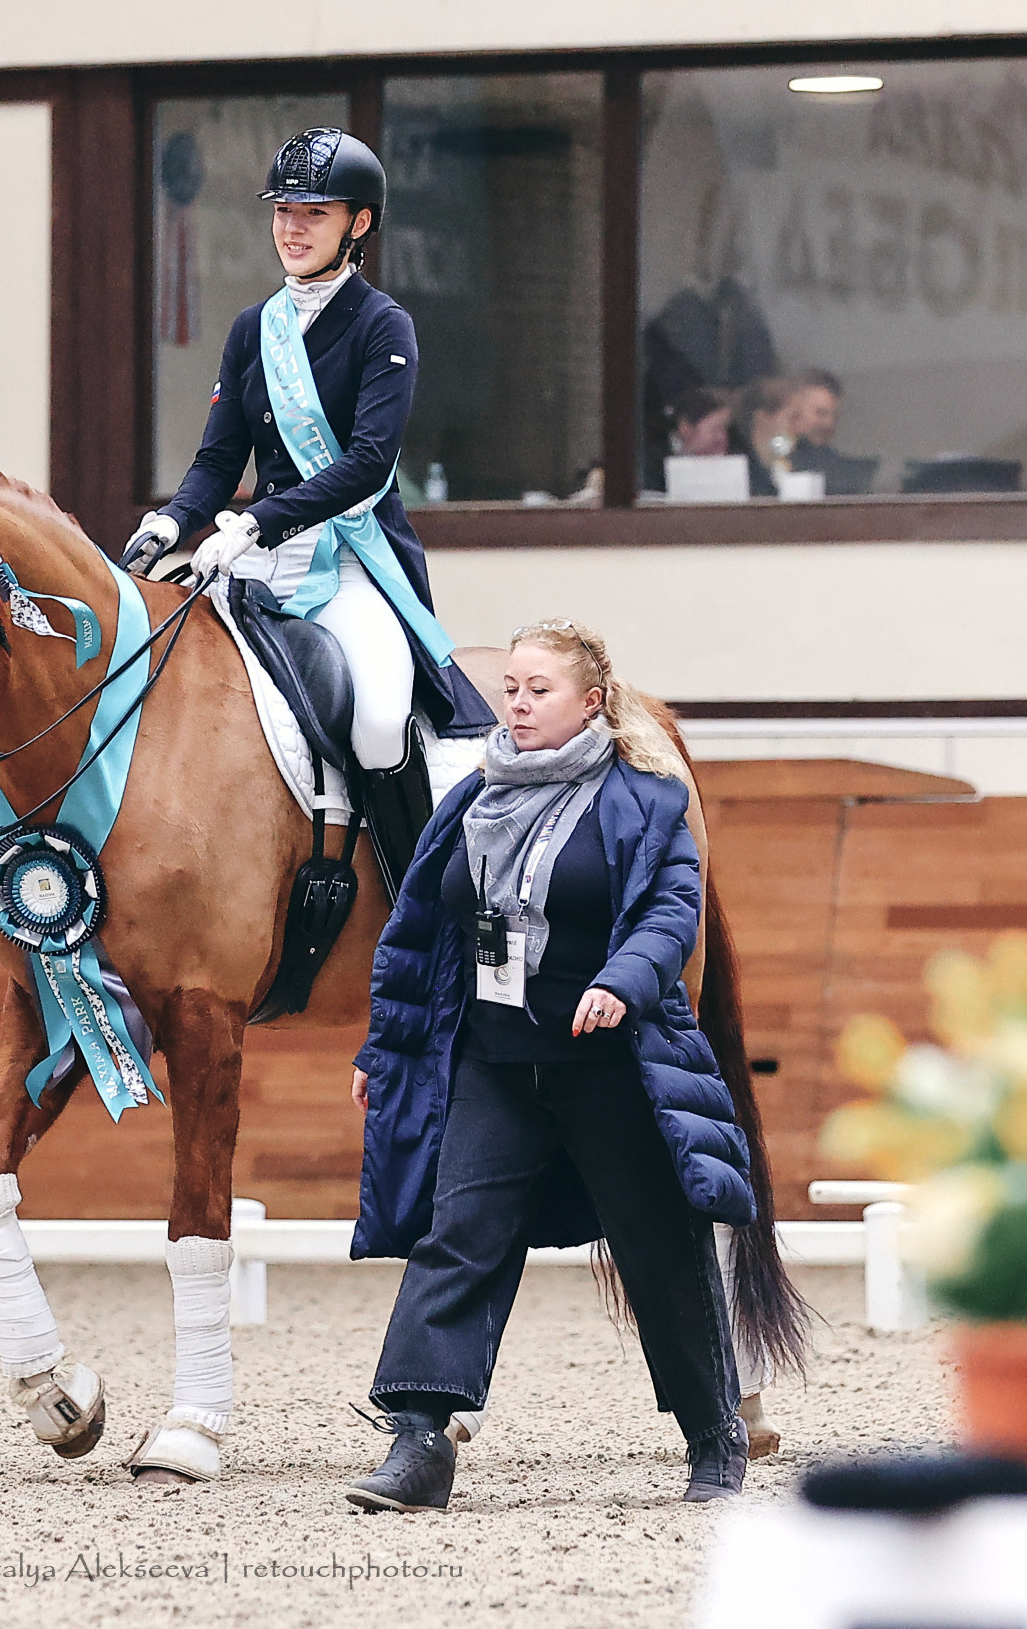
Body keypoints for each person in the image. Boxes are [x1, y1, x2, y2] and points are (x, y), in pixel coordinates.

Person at [342, 619, 756, 1513]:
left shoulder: (644, 799)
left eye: (539, 690)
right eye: (513, 689)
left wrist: (620, 982)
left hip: (609, 1059)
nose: (518, 704)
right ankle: (419, 1442)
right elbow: (418, 933)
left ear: (590, 703)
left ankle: (712, 1431)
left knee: (656, 1243)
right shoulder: (475, 795)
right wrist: (387, 1050)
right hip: (496, 1061)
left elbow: (668, 913)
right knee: (459, 1237)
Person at [123, 128, 495, 894]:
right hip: (255, 563)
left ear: (358, 224)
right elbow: (221, 461)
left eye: (314, 212)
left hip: (352, 561)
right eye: (283, 211)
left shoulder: (382, 326)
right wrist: (173, 520)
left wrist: (257, 521)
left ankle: (420, 905)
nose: (291, 228)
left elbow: (366, 465)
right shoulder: (251, 330)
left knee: (382, 719)